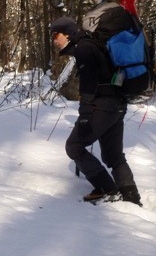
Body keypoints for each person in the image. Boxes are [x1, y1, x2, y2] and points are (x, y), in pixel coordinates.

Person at [50, 16, 142, 206]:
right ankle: (131, 197)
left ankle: (106, 189)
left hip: (102, 105)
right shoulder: (93, 44)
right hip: (117, 105)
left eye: (56, 35)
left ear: (67, 33)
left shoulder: (84, 48)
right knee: (114, 156)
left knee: (74, 146)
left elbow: (88, 84)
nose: (54, 40)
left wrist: (85, 114)